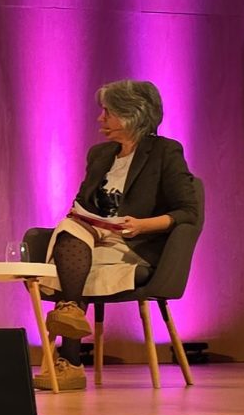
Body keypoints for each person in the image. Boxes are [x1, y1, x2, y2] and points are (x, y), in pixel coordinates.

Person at [34, 79, 199, 391]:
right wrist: (83, 215)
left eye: (108, 112)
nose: (100, 118)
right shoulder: (100, 154)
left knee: (73, 265)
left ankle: (70, 358)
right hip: (91, 233)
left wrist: (143, 225)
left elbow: (188, 211)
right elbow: (83, 201)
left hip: (132, 240)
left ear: (132, 114)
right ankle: (71, 322)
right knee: (69, 227)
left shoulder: (165, 152)